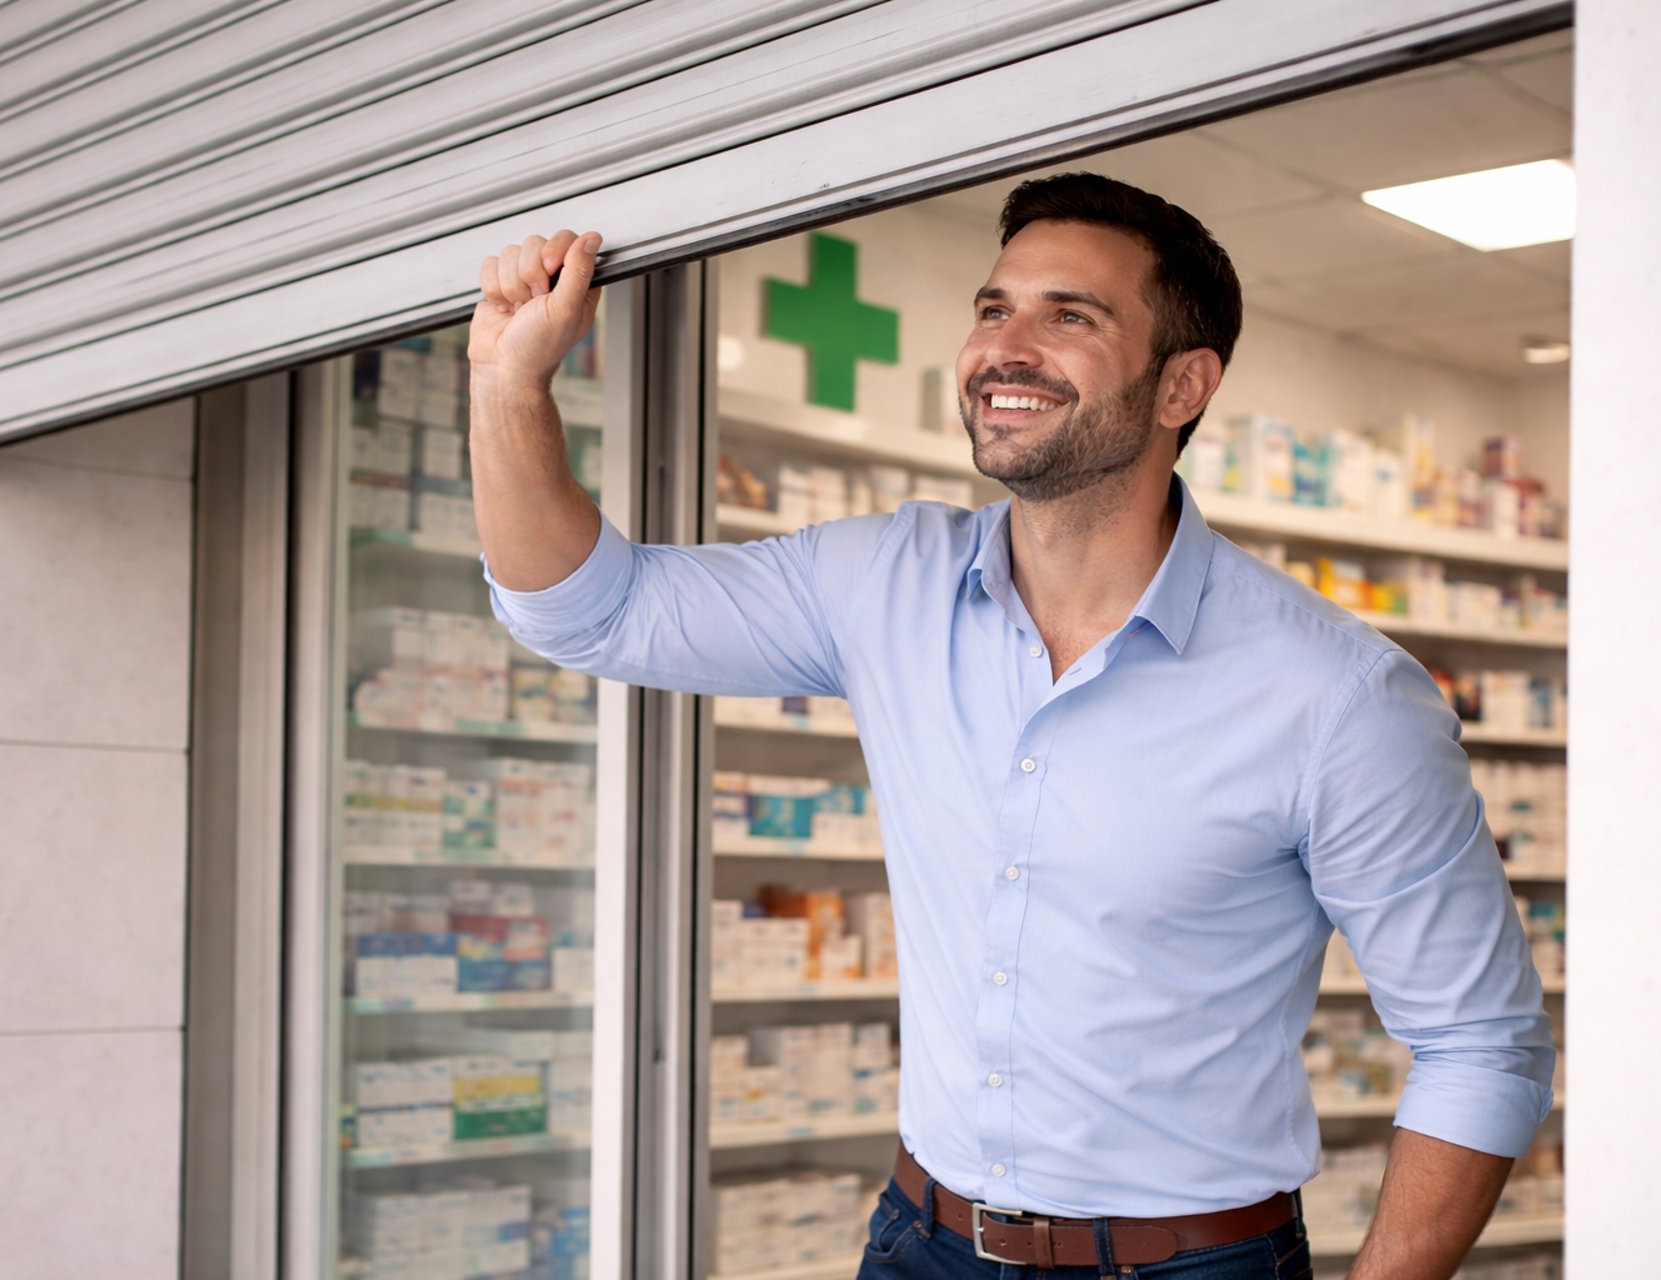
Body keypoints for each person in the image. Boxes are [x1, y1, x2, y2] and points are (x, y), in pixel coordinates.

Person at [467, 174, 1555, 1280]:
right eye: (994, 308)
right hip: (920, 1238)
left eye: (1069, 315)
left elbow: (1481, 1043)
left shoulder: (1336, 695)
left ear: (1184, 381)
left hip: (1184, 1263)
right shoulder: (883, 581)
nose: (1006, 347)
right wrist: (509, 384)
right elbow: (585, 606)